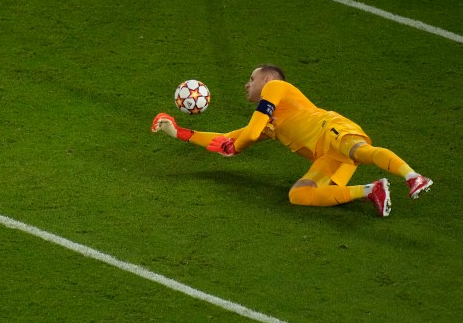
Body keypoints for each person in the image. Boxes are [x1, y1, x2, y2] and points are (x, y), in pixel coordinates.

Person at [151, 64, 433, 217]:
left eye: (252, 78)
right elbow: (229, 138)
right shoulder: (270, 125)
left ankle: (412, 176)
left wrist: (235, 146)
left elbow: (243, 137)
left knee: (361, 151)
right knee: (298, 195)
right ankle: (372, 190)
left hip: (332, 130)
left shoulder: (276, 88)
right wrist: (179, 132)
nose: (247, 84)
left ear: (267, 80)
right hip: (327, 156)